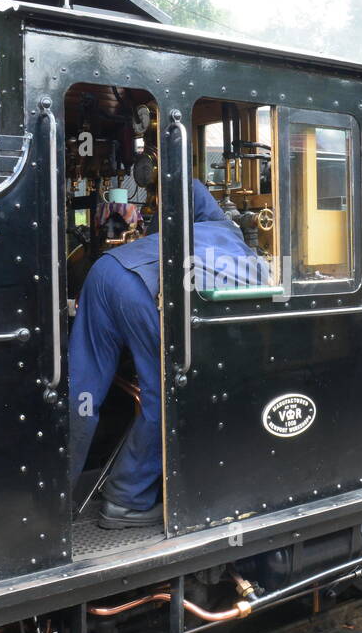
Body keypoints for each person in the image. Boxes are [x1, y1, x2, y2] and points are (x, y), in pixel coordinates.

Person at [67, 179, 268, 528]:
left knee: (82, 392)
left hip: (106, 269)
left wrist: (155, 236)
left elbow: (184, 183)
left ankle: (52, 497)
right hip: (141, 287)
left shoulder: (210, 220)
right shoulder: (243, 253)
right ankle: (126, 500)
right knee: (168, 395)